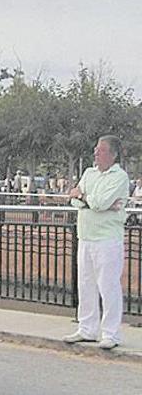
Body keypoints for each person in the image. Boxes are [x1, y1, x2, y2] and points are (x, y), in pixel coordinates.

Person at [63, 135, 130, 350]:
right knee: (85, 284)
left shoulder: (119, 177)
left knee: (108, 286)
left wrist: (85, 198)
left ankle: (111, 333)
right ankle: (87, 329)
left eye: (100, 150)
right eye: (96, 149)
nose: (96, 153)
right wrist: (85, 199)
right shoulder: (89, 173)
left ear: (113, 154)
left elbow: (100, 203)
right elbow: (74, 198)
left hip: (107, 239)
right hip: (86, 236)